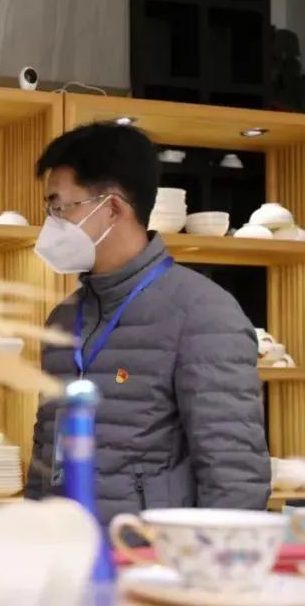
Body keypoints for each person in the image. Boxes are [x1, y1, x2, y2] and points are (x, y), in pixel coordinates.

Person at [25, 122, 270, 524]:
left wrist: (204, 560)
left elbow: (233, 472)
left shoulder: (203, 313)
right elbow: (46, 449)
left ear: (112, 208)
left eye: (59, 207)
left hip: (152, 552)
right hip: (65, 548)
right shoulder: (64, 317)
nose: (51, 223)